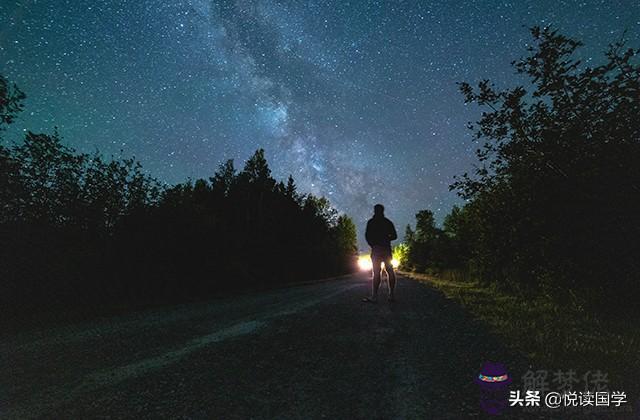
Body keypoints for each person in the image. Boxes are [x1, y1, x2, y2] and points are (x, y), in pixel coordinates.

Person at [363, 204, 397, 303]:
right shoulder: (388, 222)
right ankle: (391, 295)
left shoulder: (371, 222)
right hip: (386, 248)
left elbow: (367, 235)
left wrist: (373, 244)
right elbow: (395, 236)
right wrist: (386, 238)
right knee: (390, 270)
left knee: (376, 272)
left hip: (376, 249)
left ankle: (375, 296)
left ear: (375, 211)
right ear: (383, 211)